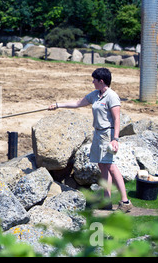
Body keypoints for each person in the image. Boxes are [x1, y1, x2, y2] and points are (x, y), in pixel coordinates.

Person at [48, 67, 132, 212]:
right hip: (98, 134)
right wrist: (57, 105)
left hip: (108, 135)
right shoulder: (96, 94)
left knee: (111, 165)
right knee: (102, 165)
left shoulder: (112, 96)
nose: (92, 82)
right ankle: (107, 199)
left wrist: (115, 139)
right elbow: (77, 103)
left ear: (101, 81)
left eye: (94, 79)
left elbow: (117, 118)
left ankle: (125, 201)